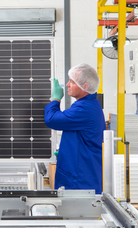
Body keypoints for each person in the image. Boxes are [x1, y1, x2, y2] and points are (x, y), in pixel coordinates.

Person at [44, 63, 105, 194]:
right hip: (80, 174)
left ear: (85, 86)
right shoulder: (86, 105)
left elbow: (52, 119)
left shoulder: (84, 109)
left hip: (81, 181)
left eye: (72, 81)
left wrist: (55, 100)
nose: (67, 85)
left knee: (77, 213)